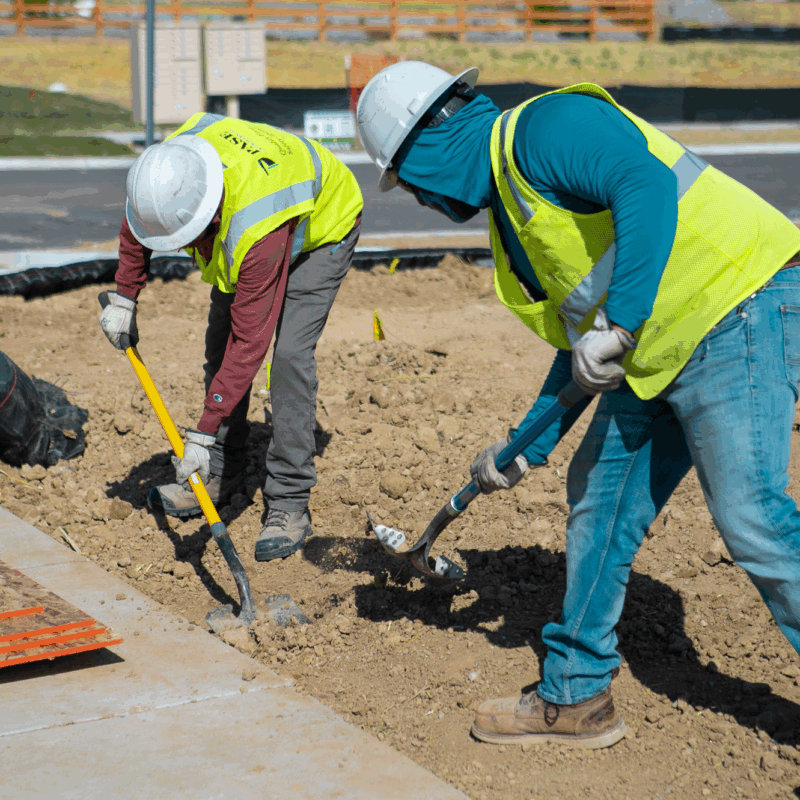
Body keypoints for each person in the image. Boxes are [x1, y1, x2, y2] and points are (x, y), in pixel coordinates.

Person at [357, 61, 800, 749]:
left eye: (408, 181)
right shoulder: (512, 221)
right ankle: (575, 695)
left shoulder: (544, 127)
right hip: (658, 348)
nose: (417, 200)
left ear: (428, 147)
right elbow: (578, 348)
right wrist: (523, 445)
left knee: (753, 520)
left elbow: (646, 185)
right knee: (599, 494)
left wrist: (620, 324)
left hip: (734, 305)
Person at [99, 112, 363, 562]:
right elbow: (139, 220)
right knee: (216, 347)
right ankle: (223, 472)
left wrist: (200, 432)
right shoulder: (169, 169)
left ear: (209, 216)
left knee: (288, 361)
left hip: (323, 227)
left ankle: (289, 502)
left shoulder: (252, 227)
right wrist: (125, 295)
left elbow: (250, 343)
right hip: (257, 214)